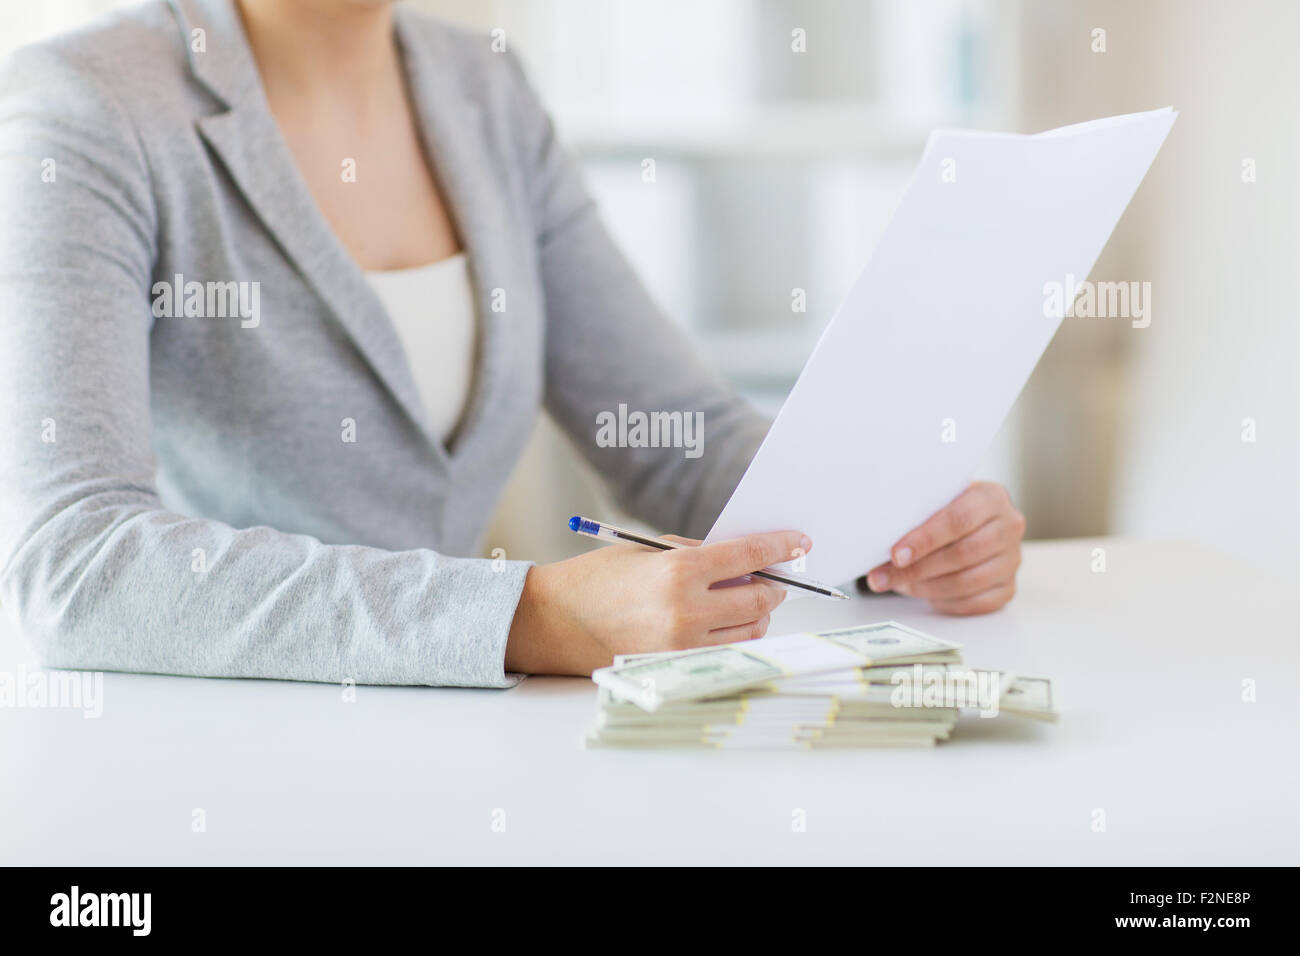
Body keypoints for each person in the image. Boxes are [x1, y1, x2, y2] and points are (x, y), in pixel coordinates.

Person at [0, 0, 1025, 688]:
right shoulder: (87, 109)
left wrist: (887, 523)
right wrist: (527, 614)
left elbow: (674, 439)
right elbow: (76, 562)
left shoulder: (478, 86)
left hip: (460, 748)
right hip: (213, 760)